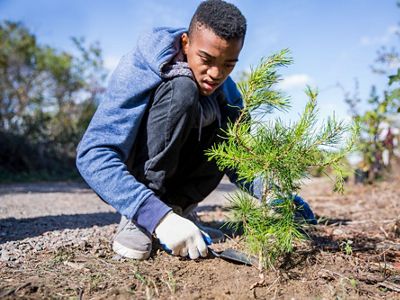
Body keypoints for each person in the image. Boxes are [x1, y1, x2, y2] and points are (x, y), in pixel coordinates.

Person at [76, 0, 316, 261]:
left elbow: (235, 157)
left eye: (228, 65)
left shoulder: (228, 92)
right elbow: (93, 154)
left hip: (181, 186)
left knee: (227, 120)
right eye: (206, 59)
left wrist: (271, 192)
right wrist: (156, 216)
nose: (216, 73)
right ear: (185, 42)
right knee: (182, 89)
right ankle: (143, 218)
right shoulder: (139, 66)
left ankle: (178, 208)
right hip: (138, 173)